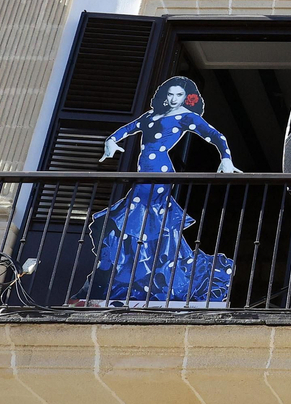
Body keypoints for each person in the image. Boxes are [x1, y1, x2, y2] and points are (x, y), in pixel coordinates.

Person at [75, 76, 240, 305]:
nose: (173, 99)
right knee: (137, 222)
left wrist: (226, 160)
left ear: (187, 97)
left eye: (179, 95)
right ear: (164, 94)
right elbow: (127, 129)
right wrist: (111, 141)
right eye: (170, 94)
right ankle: (141, 277)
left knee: (140, 221)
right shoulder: (151, 116)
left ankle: (148, 276)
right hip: (144, 173)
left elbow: (216, 136)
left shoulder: (186, 117)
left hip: (160, 173)